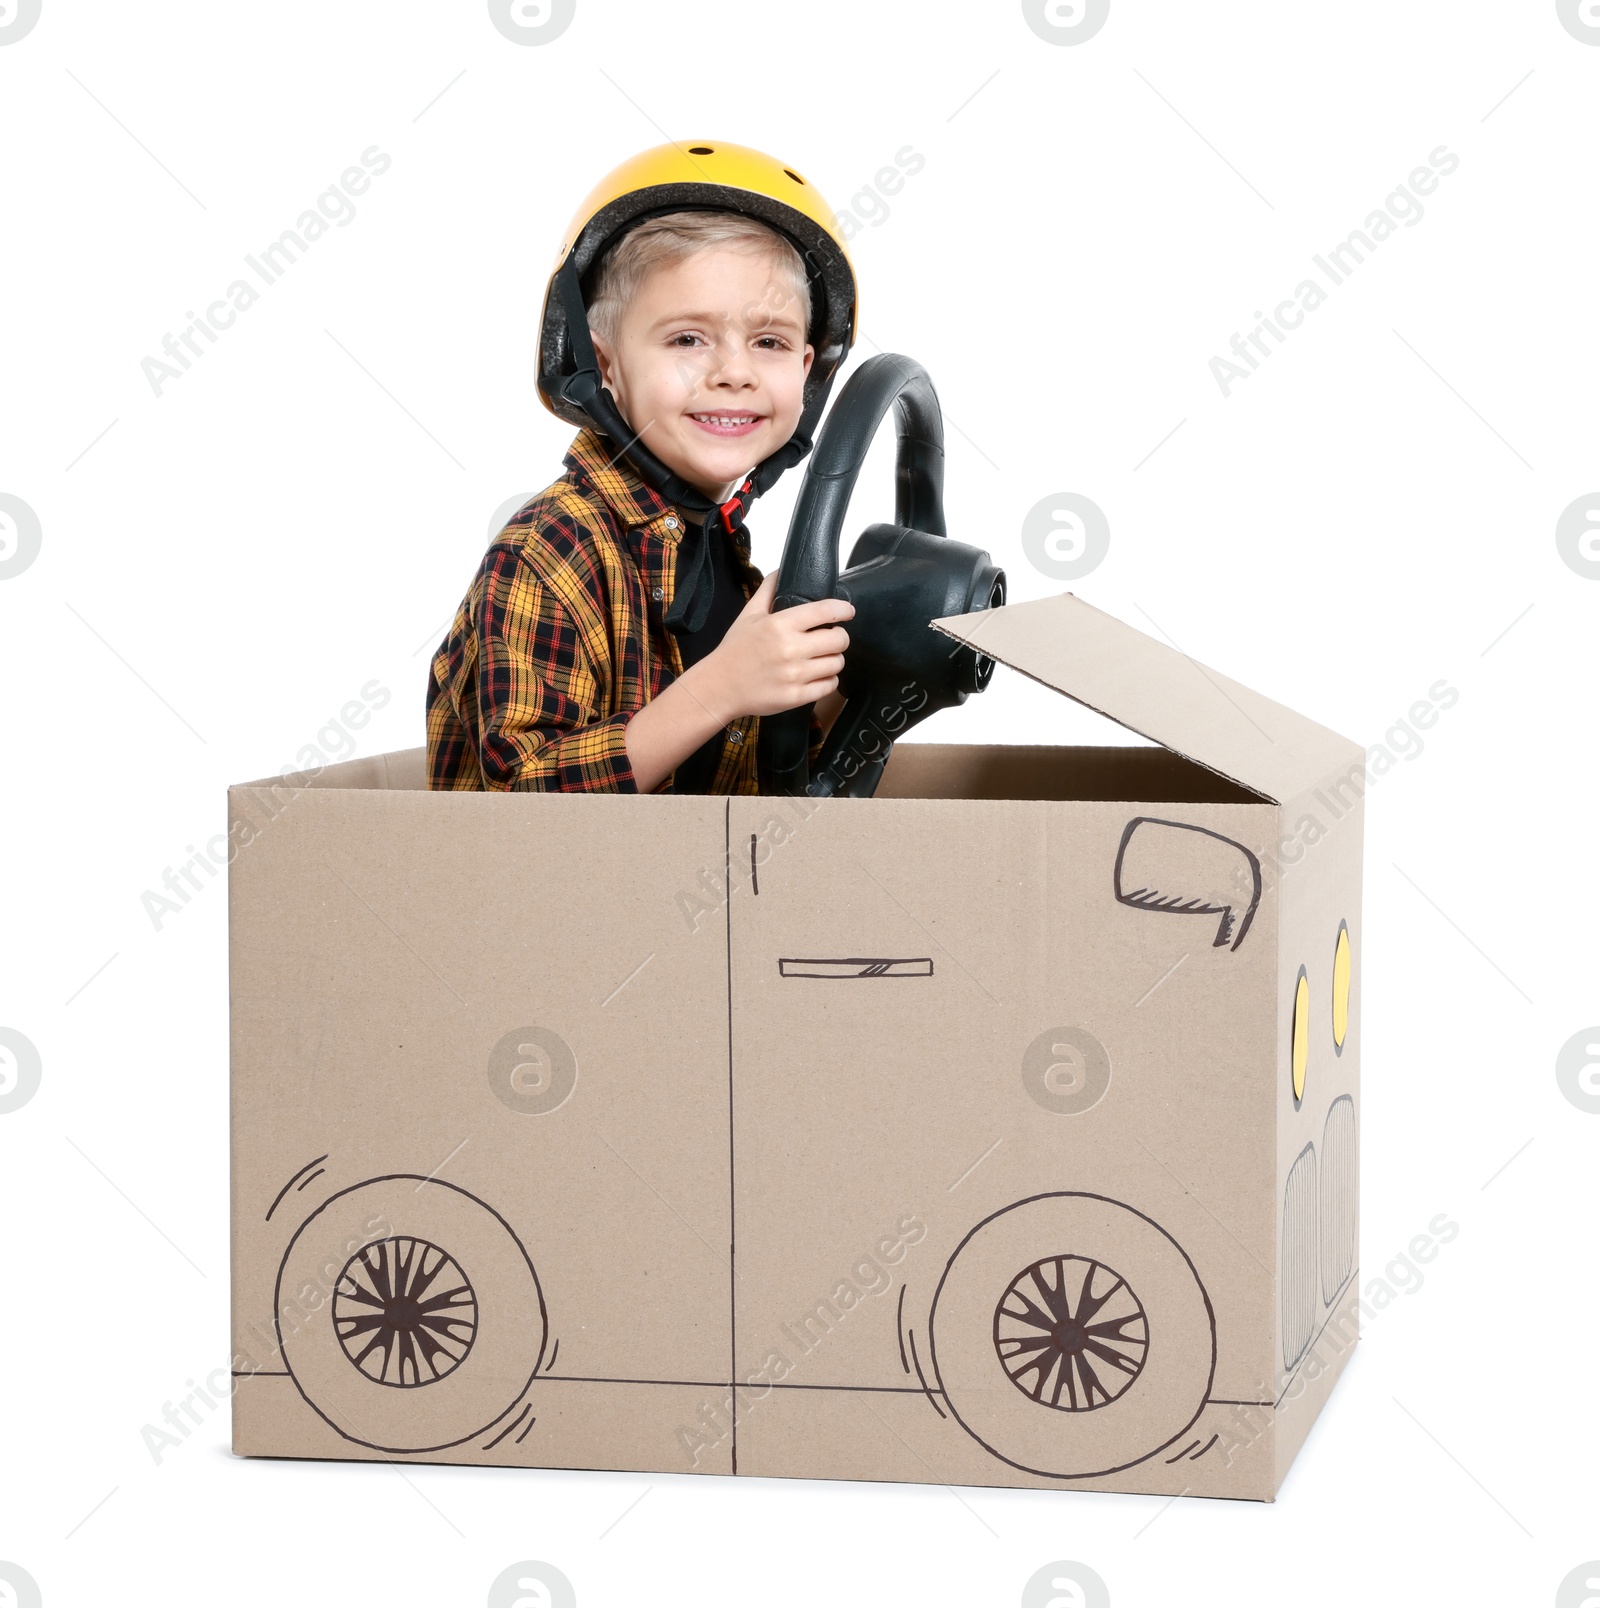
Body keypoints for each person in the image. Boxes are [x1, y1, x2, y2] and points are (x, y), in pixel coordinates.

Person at [426, 139, 861, 794]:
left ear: (808, 370)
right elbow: (518, 809)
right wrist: (718, 689)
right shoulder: (549, 553)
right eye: (688, 339)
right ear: (606, 367)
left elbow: (733, 786)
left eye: (769, 342)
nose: (734, 373)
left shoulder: (715, 549)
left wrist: (846, 679)